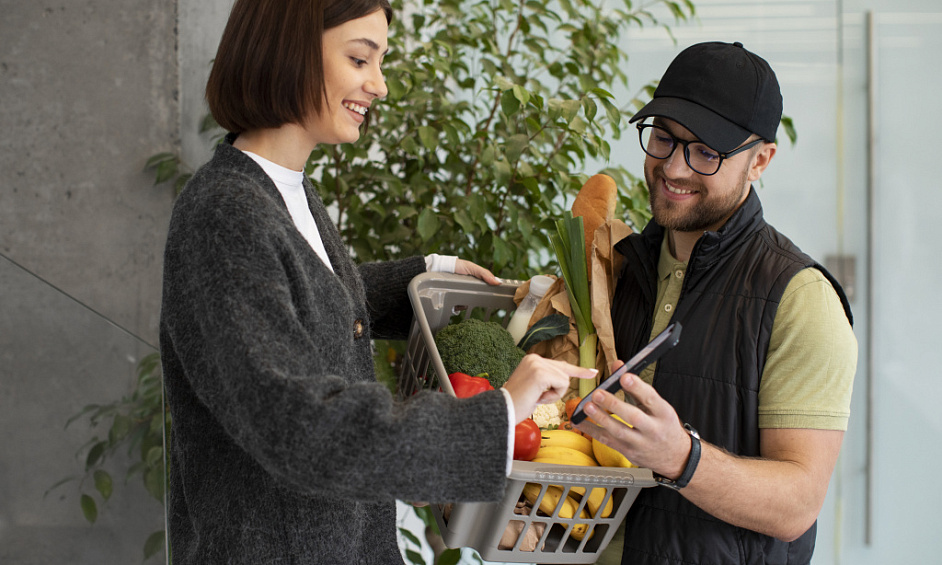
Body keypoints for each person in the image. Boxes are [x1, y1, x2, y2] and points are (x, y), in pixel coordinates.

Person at [158, 1, 595, 563]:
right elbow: (301, 428)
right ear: (287, 50)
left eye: (379, 62)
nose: (380, 86)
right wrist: (498, 414)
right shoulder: (224, 215)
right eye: (360, 59)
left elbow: (297, 298)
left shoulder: (284, 191)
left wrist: (423, 275)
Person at [576, 41, 857, 565]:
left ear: (760, 161)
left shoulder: (800, 298)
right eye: (663, 138)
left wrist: (681, 458)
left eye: (706, 152)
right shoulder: (618, 268)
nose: (674, 169)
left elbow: (798, 503)